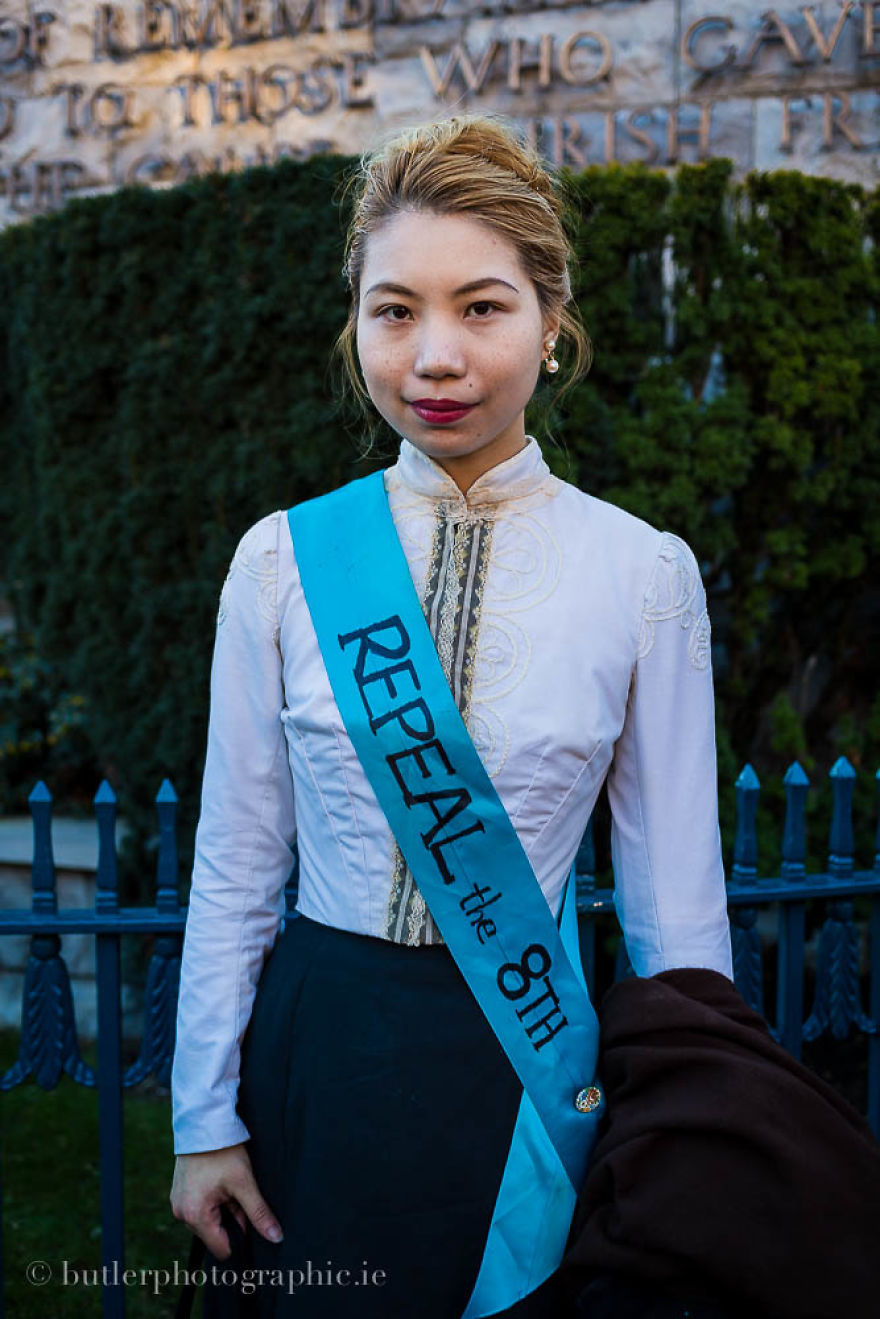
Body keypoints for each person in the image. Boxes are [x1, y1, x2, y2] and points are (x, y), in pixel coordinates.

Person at [169, 113, 734, 1317]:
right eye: (393, 310)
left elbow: (674, 903)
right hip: (318, 1053)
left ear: (551, 321)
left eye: (481, 307)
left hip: (528, 1069)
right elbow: (233, 861)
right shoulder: (280, 561)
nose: (434, 355)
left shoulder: (644, 574)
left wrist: (701, 1129)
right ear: (357, 323)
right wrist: (202, 1117)